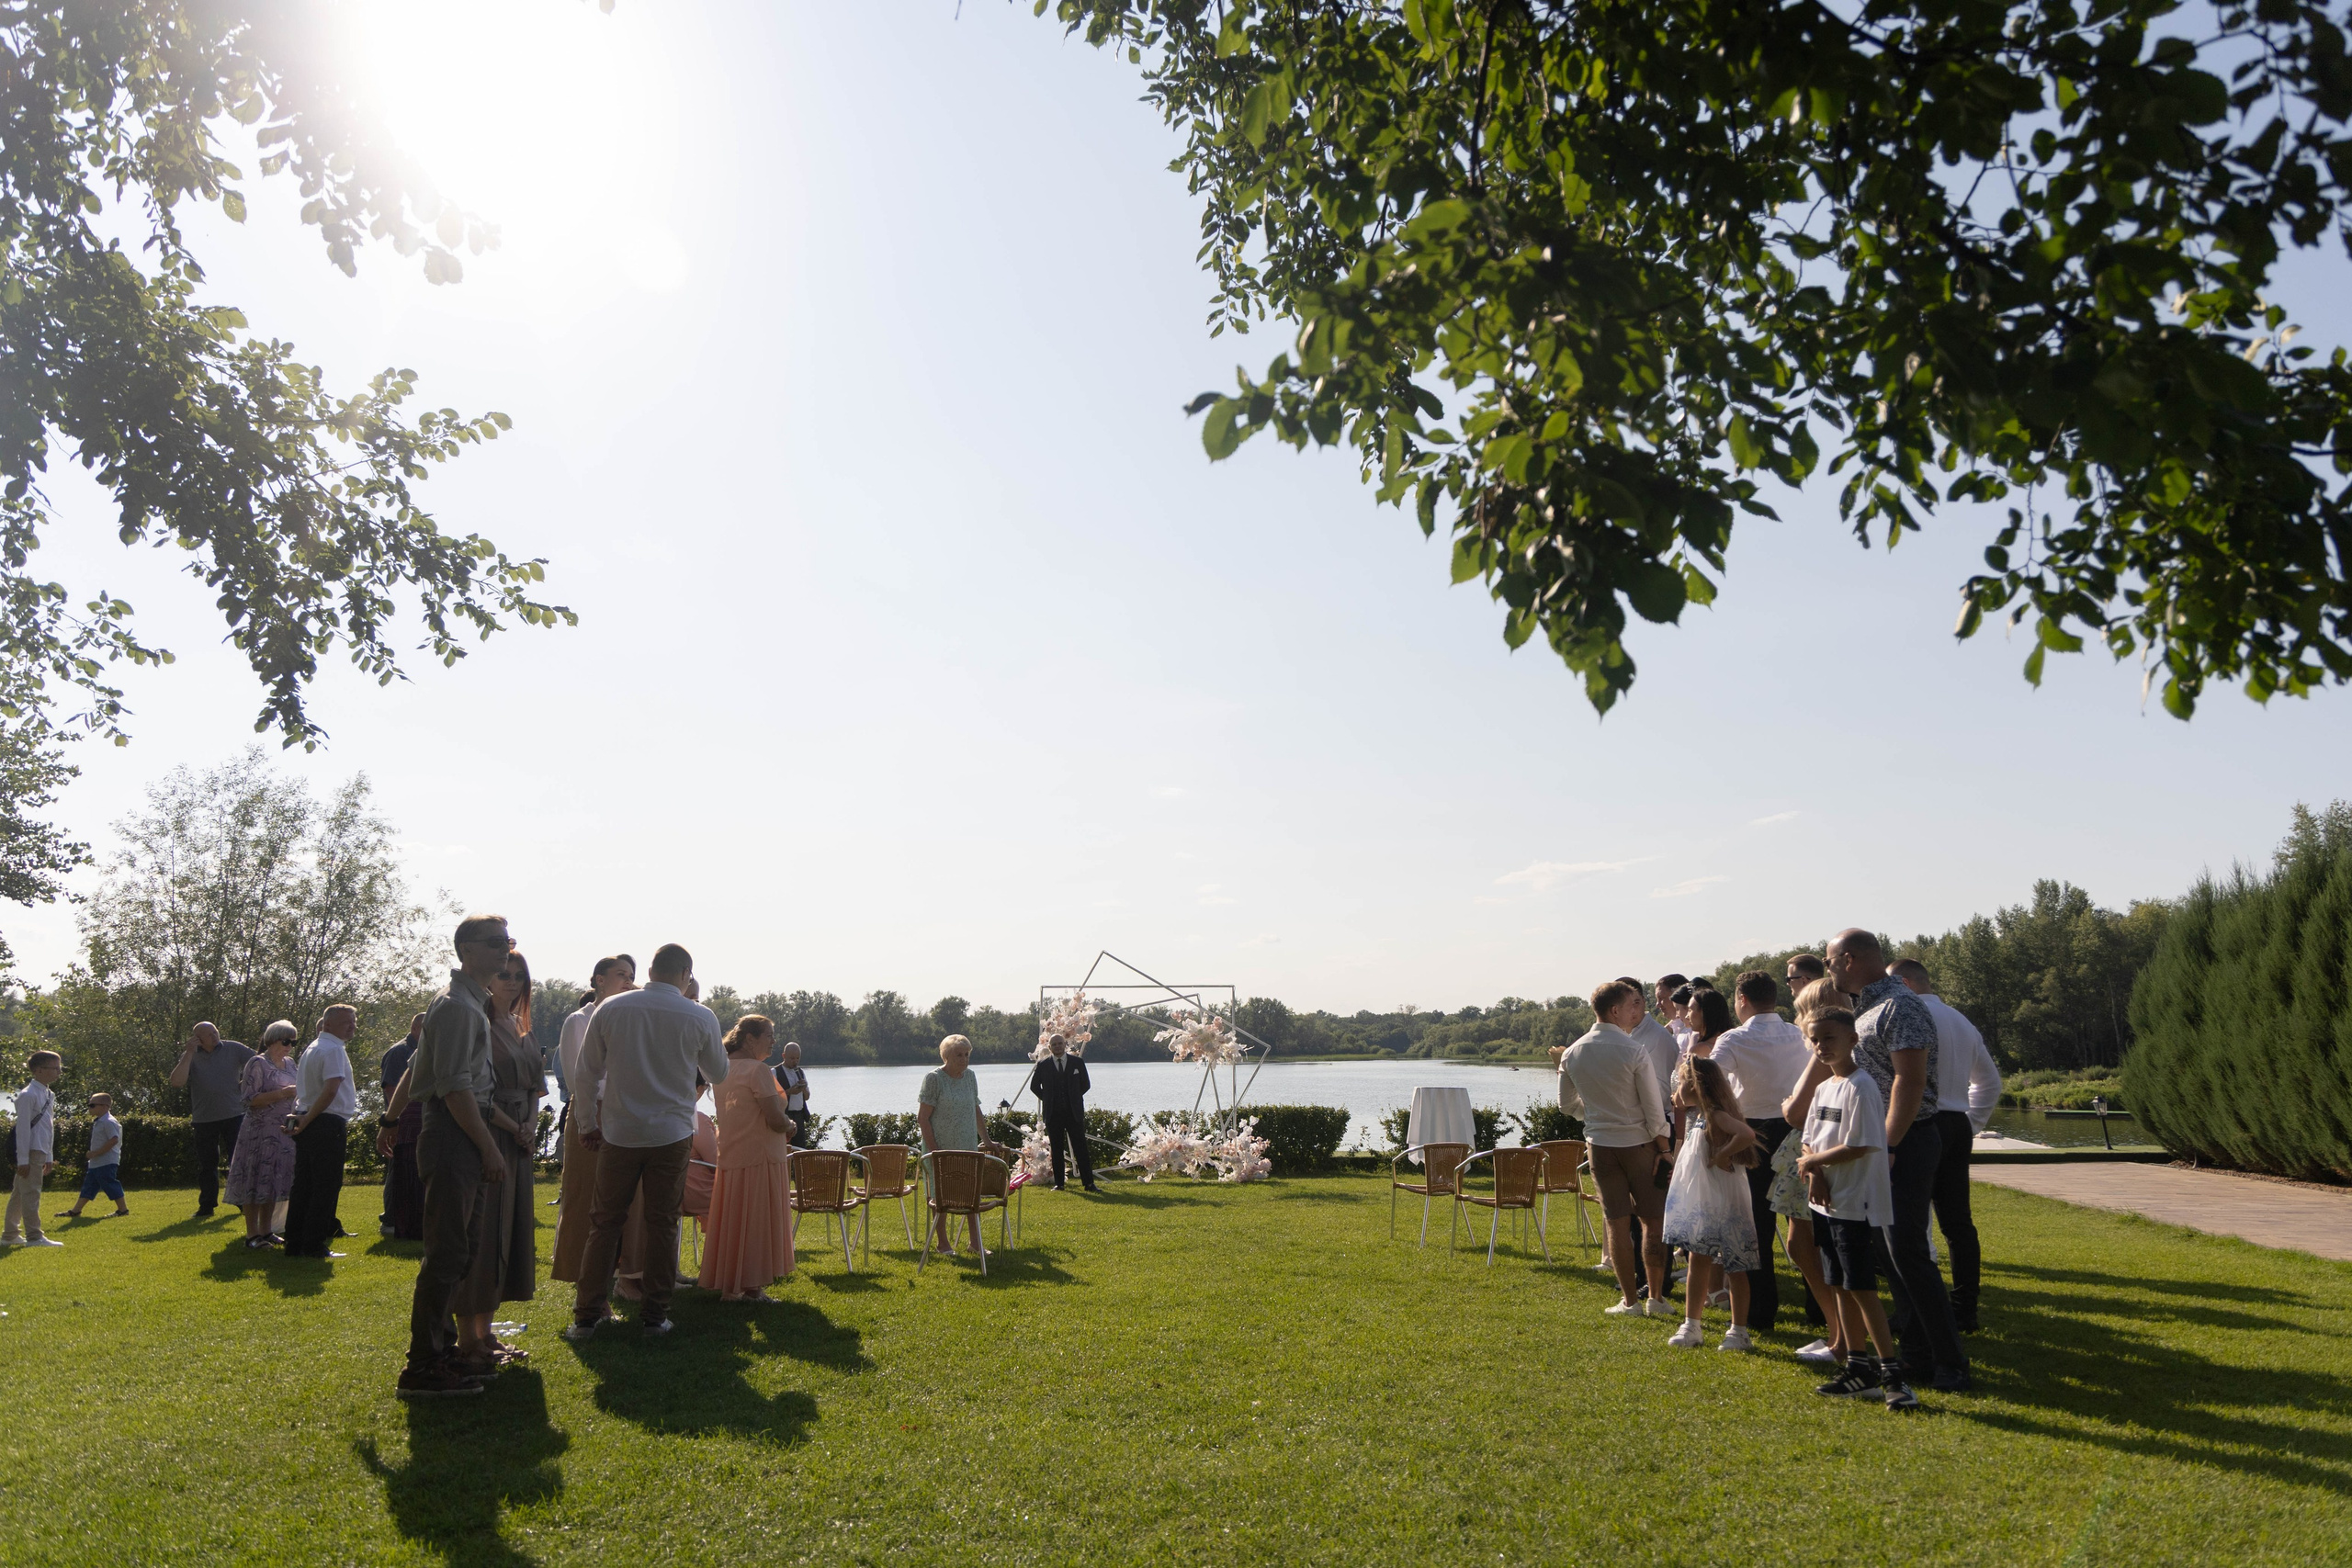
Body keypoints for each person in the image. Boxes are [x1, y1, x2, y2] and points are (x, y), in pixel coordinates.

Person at [1819, 928, 1969, 1392]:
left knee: (1908, 1254)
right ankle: (1916, 1357)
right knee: (1890, 1253)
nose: (1826, 971)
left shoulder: (1899, 1006)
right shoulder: (1865, 1007)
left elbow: (1910, 1080)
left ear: (1848, 960)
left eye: (1828, 962)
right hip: (1881, 1145)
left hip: (1904, 1143)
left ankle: (1951, 1364)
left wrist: (1887, 1146)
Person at [564, 942, 729, 1342]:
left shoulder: (612, 1009)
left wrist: (587, 1123)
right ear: (686, 975)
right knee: (663, 1223)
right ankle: (655, 1317)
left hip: (619, 1132)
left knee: (604, 1223)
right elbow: (719, 1073)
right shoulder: (699, 1015)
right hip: (671, 1134)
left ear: (651, 970)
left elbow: (586, 1074)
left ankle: (587, 1316)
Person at [398, 913, 514, 1399]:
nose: (505, 949)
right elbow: (453, 1088)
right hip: (454, 1135)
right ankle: (422, 1367)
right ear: (465, 949)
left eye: (507, 941)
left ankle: (442, 1354)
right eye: (494, 942)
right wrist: (488, 1147)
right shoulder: (457, 1008)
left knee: (458, 1250)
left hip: (461, 1132)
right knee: (445, 1254)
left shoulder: (469, 1003)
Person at [1794, 993, 1919, 1410]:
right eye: (1815, 1040)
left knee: (1862, 1288)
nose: (1821, 1046)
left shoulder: (1861, 1086)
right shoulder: (1824, 1087)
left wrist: (1813, 1162)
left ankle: (1893, 1375)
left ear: (1852, 1039)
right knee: (1838, 1285)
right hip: (1826, 1202)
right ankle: (1857, 1367)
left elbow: (1863, 1144)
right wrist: (1813, 1173)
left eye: (1829, 1038)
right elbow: (1809, 1138)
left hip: (1855, 1203)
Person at [1891, 957, 2004, 1333]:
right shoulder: (1961, 1021)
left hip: (1921, 1120)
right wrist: (1971, 1124)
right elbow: (1989, 1081)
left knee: (1910, 1221)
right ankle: (1964, 1308)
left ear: (1905, 984)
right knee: (1958, 1223)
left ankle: (1920, 1310)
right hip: (1955, 1121)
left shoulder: (1903, 1016)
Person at [448, 947, 541, 1368]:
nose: (511, 980)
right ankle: (467, 1337)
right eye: (505, 973)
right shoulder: (477, 1021)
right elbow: (475, 1088)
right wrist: (512, 1127)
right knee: (483, 1234)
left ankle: (486, 1333)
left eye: (519, 975)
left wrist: (532, 1127)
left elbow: (536, 1089)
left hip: (520, 1138)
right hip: (491, 1132)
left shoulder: (523, 1027)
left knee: (509, 1234)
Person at [1559, 982, 1674, 1317]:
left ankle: (1630, 1301)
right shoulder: (1632, 1049)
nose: (1635, 1012)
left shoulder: (1573, 1052)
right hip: (1639, 1143)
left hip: (1600, 1145)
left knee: (1616, 1223)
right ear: (1614, 1011)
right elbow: (1654, 1107)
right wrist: (1664, 1146)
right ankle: (1655, 1297)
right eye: (1630, 1006)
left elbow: (1566, 1105)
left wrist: (1593, 1114)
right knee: (1653, 1221)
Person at [1711, 971, 1814, 1334]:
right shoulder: (1799, 1034)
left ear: (1742, 1000)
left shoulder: (1735, 1038)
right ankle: (1817, 1306)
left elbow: (1708, 1077)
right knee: (1802, 1221)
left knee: (1756, 1223)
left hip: (1752, 1131)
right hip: (1797, 1129)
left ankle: (1761, 1310)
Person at [552, 955, 639, 1301]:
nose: (628, 981)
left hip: (624, 1112)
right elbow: (579, 1078)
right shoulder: (579, 1020)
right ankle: (581, 1281)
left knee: (625, 1201)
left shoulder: (628, 1018)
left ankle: (625, 1276)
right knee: (585, 1196)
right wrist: (592, 1117)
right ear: (598, 980)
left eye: (631, 976)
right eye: (621, 975)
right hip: (591, 1111)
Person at [1660, 1056, 1760, 1351]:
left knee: (1735, 1266)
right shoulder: (1698, 1119)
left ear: (1695, 1085)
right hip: (1701, 1205)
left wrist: (1724, 1154)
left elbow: (1747, 1134)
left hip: (1725, 1204)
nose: (1675, 1091)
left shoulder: (1716, 1116)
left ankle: (1739, 1331)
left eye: (1679, 1084)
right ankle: (1692, 1325)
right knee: (1697, 1261)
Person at [705, 1014, 797, 1302]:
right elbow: (773, 1117)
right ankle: (753, 1288)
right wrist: (790, 1125)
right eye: (769, 1034)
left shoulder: (722, 1069)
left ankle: (732, 1284)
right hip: (761, 1155)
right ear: (750, 1039)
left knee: (734, 1219)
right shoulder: (757, 1070)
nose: (773, 1040)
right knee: (757, 1220)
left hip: (732, 1153)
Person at [282, 1005, 359, 1258]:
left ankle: (295, 1243)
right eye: (347, 1021)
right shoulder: (333, 1049)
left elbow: (306, 1092)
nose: (353, 1025)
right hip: (326, 1122)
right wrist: (309, 1119)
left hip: (308, 1119)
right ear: (327, 1025)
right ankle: (314, 1244)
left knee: (304, 1185)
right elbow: (330, 1090)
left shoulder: (312, 1048)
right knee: (324, 1186)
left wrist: (302, 1119)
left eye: (354, 1021)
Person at [222, 1023, 302, 1249]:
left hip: (283, 1131)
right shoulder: (257, 1063)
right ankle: (252, 1234)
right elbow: (249, 1099)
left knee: (272, 1181)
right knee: (255, 1180)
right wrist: (283, 1093)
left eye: (293, 1042)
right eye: (286, 1041)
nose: (289, 1047)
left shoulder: (291, 1064)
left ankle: (267, 1231)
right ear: (272, 1040)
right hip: (259, 1132)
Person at [167, 1022, 254, 1220]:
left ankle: (242, 1203)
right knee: (207, 1165)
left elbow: (259, 1062)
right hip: (204, 1119)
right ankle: (206, 1206)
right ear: (198, 1038)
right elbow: (176, 1082)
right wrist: (189, 1053)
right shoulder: (192, 1055)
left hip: (234, 1115)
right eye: (208, 1034)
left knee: (238, 1162)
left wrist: (246, 1084)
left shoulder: (233, 1048)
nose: (214, 1036)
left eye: (215, 1032)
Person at [917, 1033, 986, 1254]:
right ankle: (942, 1243)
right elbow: (923, 1118)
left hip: (967, 1146)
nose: (964, 1059)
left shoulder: (970, 1077)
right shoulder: (934, 1079)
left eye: (967, 1055)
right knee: (941, 1196)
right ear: (946, 1056)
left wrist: (986, 1140)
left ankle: (975, 1244)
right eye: (959, 1055)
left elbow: (975, 1110)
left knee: (970, 1193)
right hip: (940, 1148)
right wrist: (935, 1150)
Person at [5, 1050, 63, 1247]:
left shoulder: (48, 1093)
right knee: (31, 1193)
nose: (58, 1072)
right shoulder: (28, 1095)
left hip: (39, 1150)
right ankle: (34, 1236)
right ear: (38, 1070)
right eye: (54, 1068)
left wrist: (49, 1155)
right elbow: (22, 1131)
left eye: (59, 1068)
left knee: (20, 1193)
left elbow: (48, 1127)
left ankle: (10, 1234)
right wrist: (22, 1160)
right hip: (30, 1151)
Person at [1028, 1032, 1097, 1191]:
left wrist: (1074, 1097)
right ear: (1050, 1047)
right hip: (1053, 1114)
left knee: (1081, 1148)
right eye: (1054, 1044)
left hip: (1074, 1113)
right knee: (1056, 1150)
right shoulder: (1043, 1065)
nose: (1057, 1046)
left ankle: (1089, 1183)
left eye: (1060, 1043)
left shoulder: (1077, 1062)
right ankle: (1059, 1184)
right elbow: (1034, 1087)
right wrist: (1048, 1099)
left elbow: (1085, 1084)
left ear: (1065, 1044)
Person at [378, 1012, 424, 1236]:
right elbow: (391, 1089)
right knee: (397, 1170)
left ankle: (410, 1217)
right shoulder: (400, 1052)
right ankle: (390, 1219)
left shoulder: (423, 1049)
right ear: (416, 1028)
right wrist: (393, 1119)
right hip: (403, 1119)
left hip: (418, 1120)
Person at [60, 1092, 130, 1220]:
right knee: (89, 1185)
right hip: (97, 1162)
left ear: (105, 1106)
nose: (89, 1108)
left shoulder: (108, 1122)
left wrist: (95, 1153)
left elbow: (114, 1140)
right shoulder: (100, 1121)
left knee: (109, 1183)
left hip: (107, 1161)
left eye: (92, 1105)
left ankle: (123, 1210)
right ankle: (76, 1211)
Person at [773, 1040, 816, 1150]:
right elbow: (772, 1098)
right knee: (784, 1149)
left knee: (800, 1150)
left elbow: (807, 1097)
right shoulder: (775, 1072)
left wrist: (803, 1089)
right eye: (792, 1058)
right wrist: (789, 1092)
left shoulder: (800, 1072)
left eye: (797, 1058)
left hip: (799, 1117)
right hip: (785, 1116)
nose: (795, 1061)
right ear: (784, 1056)